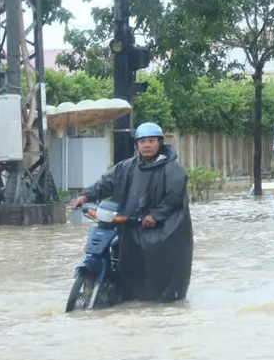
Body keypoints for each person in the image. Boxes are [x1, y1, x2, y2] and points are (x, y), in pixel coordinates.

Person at [71, 122, 194, 303]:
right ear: (136, 144)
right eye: (142, 141)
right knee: (122, 255)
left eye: (151, 141)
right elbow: (106, 183)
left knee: (157, 265)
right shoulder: (126, 167)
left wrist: (155, 216)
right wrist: (85, 196)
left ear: (160, 143)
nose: (146, 145)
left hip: (163, 231)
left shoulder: (173, 170)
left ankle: (161, 301)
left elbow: (173, 199)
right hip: (131, 224)